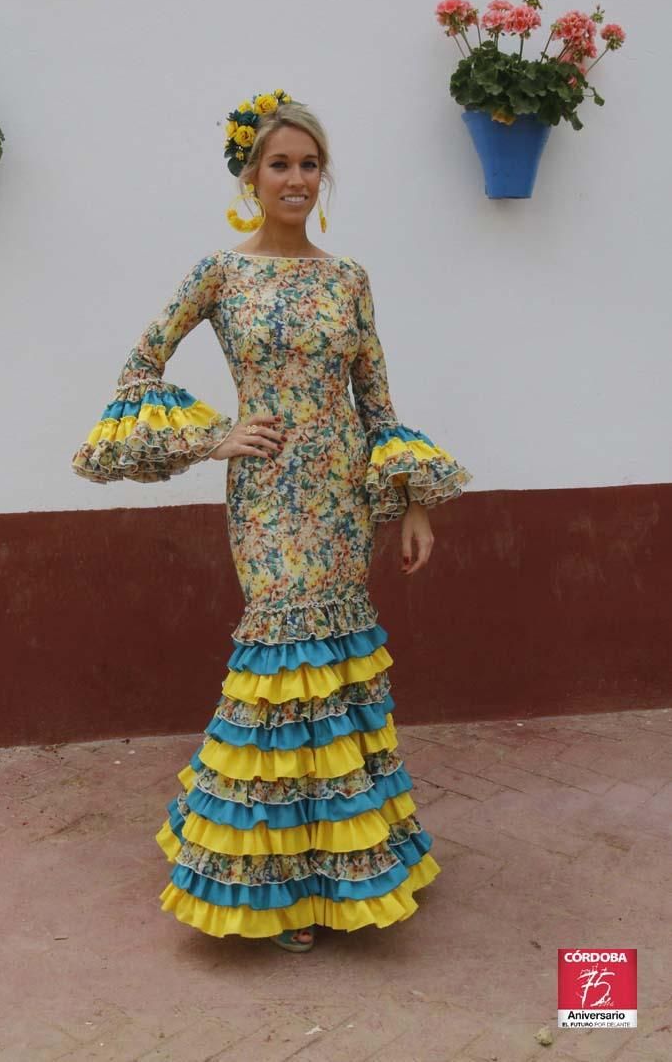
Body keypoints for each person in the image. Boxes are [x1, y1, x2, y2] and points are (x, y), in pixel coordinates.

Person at [71, 90, 473, 953]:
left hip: (339, 500)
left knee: (333, 665)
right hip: (266, 499)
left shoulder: (347, 278)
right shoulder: (220, 273)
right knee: (282, 664)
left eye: (308, 163)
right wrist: (217, 436)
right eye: (278, 164)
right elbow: (140, 366)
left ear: (322, 176)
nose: (295, 178)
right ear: (250, 176)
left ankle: (347, 868)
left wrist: (408, 504)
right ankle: (277, 883)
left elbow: (376, 400)